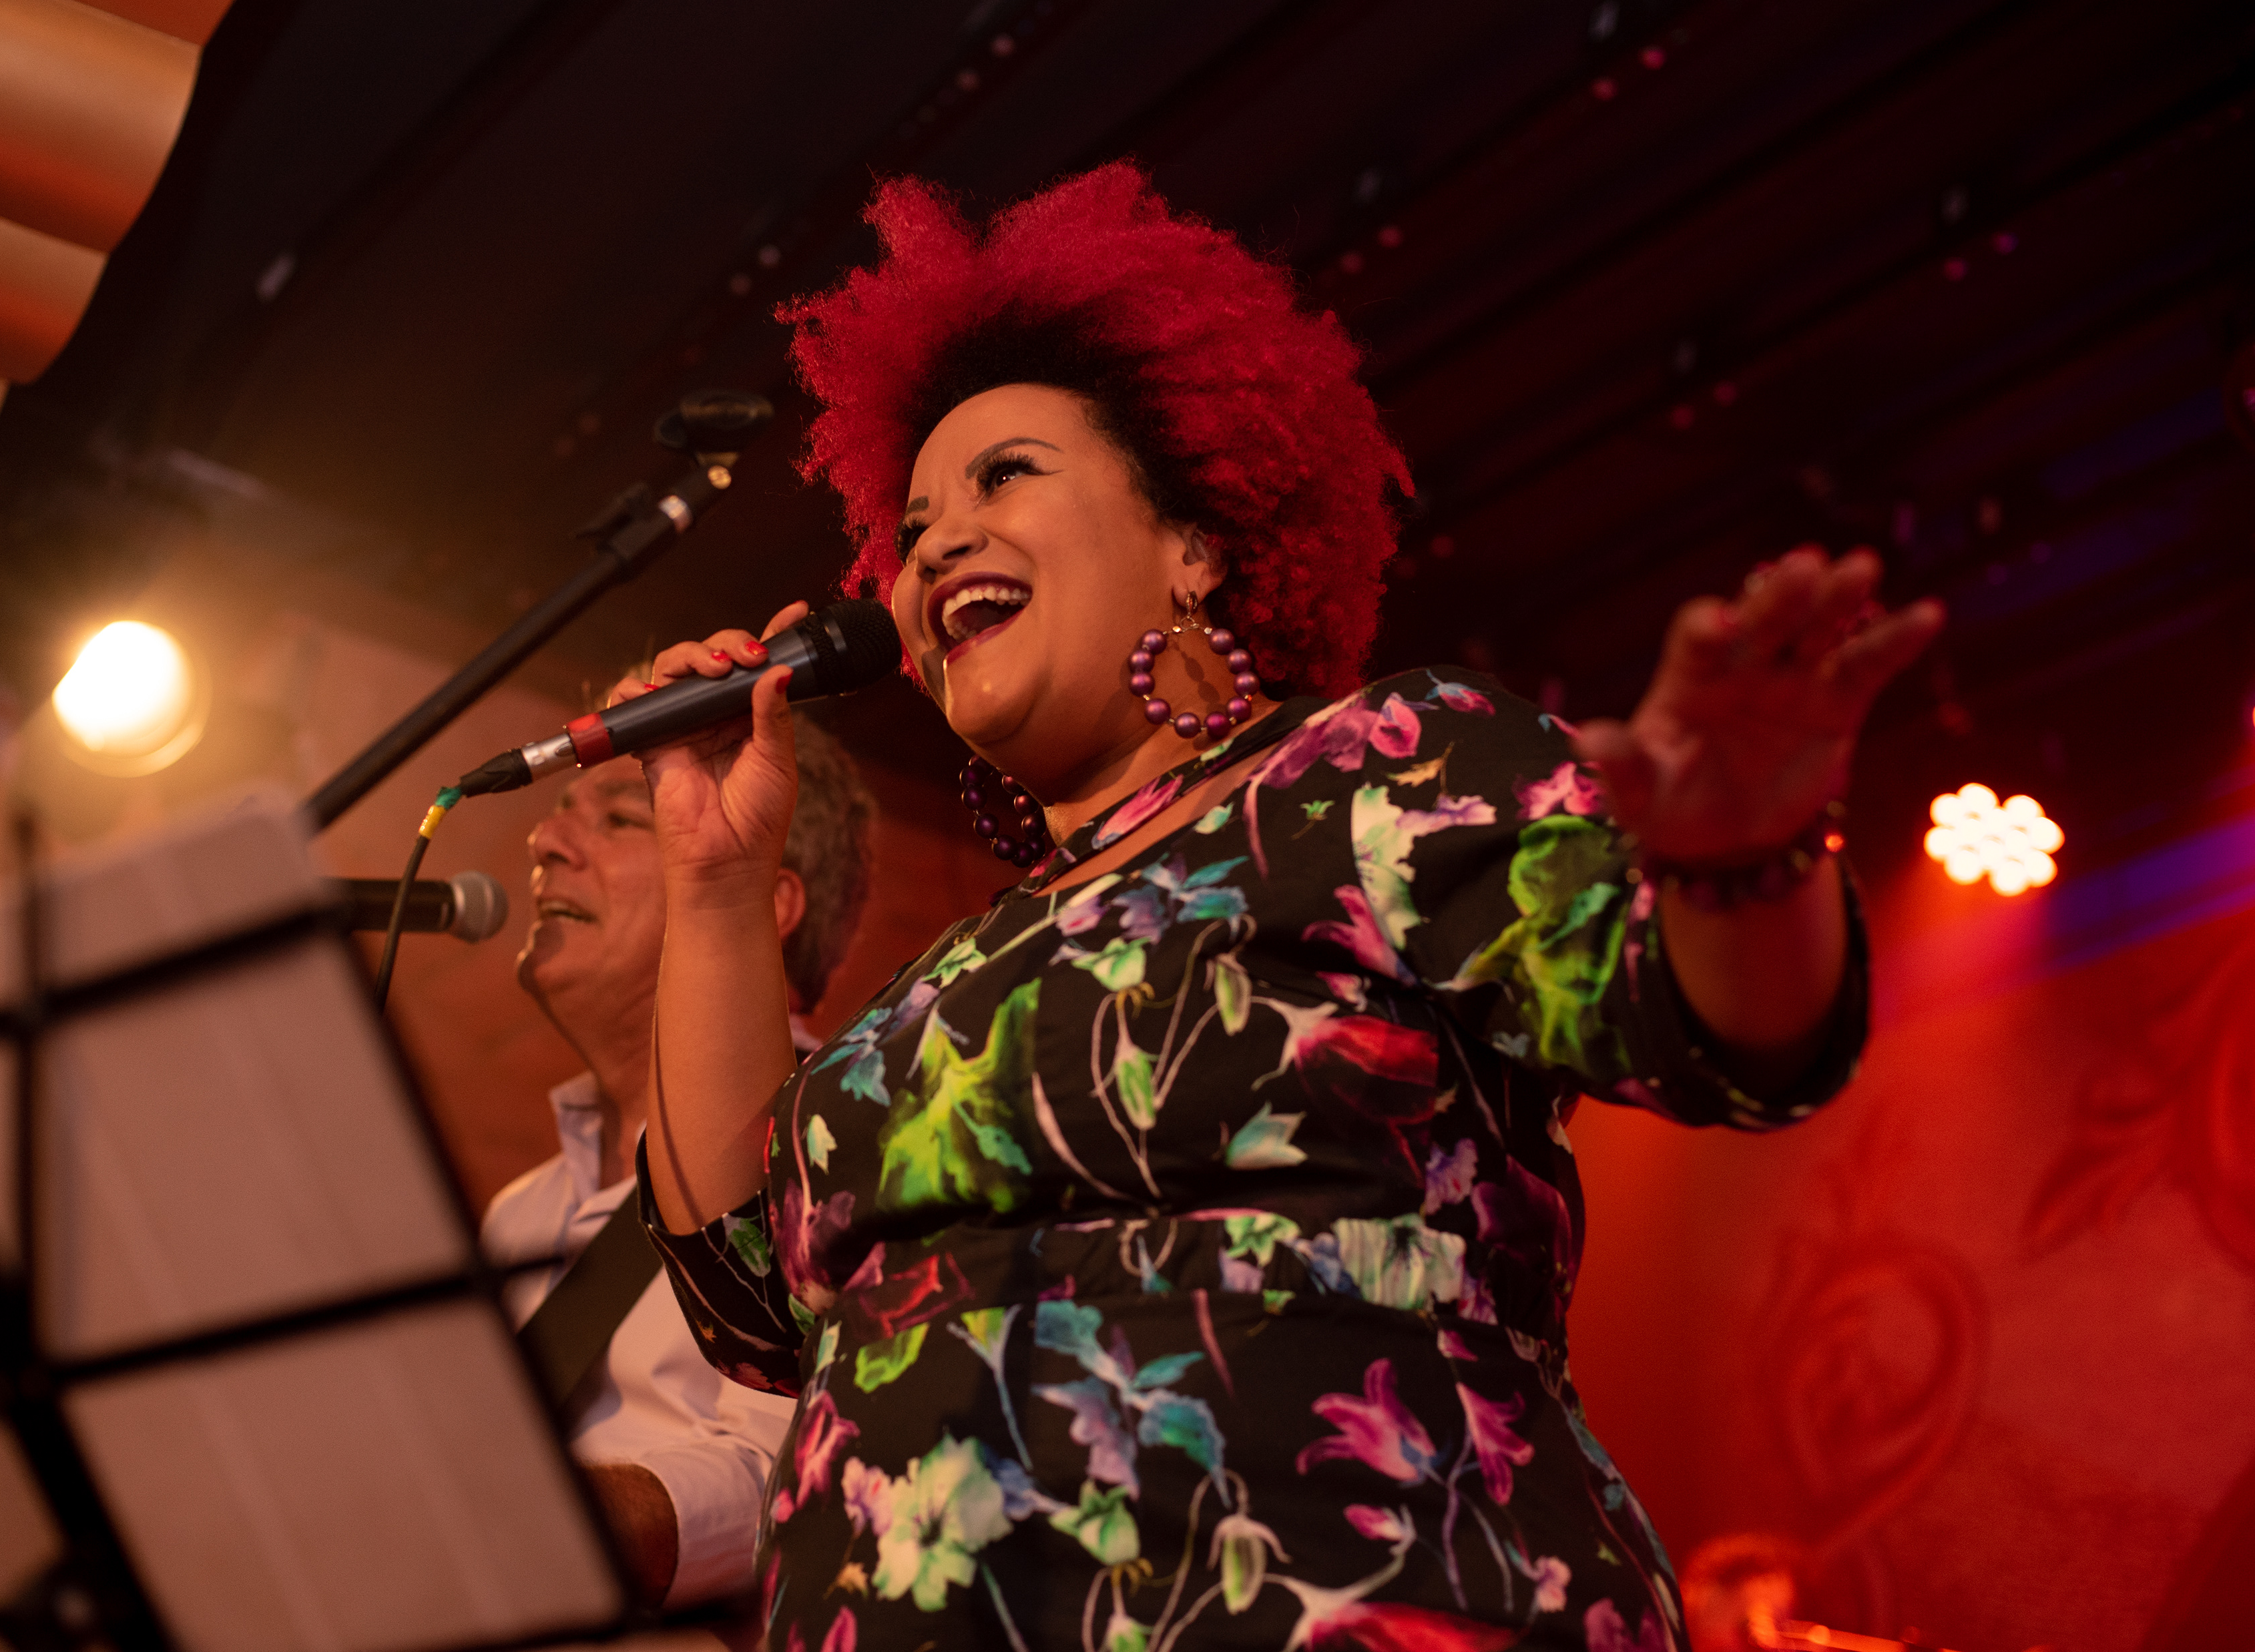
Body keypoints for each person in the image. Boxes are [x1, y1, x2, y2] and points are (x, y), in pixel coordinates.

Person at [620, 163, 1943, 1651]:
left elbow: (1715, 1027)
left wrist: (1740, 863)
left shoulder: (1379, 766)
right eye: (914, 521)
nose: (932, 546)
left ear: (1194, 542)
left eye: (1004, 478)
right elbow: (752, 1304)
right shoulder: (940, 987)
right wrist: (714, 881)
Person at [481, 705, 875, 1609]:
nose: (544, 841)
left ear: (764, 898)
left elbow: (800, 1471)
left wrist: (535, 1515)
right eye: (562, 812)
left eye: (622, 816)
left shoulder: (838, 1143)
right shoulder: (519, 1212)